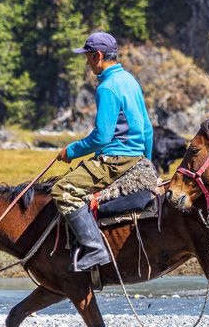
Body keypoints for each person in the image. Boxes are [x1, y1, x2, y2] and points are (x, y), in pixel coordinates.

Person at [54, 32, 154, 271]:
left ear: (98, 56)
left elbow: (101, 137)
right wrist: (146, 163)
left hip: (115, 160)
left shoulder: (107, 88)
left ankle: (95, 249)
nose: (87, 62)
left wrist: (71, 150)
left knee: (62, 190)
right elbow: (148, 129)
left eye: (88, 56)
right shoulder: (129, 79)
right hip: (135, 157)